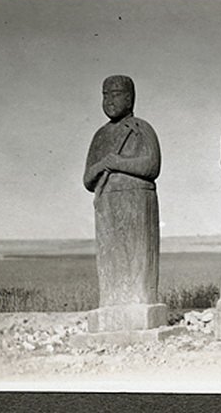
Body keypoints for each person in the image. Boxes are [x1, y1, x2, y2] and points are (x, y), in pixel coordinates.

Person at [83, 75, 161, 307]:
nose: (109, 100)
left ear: (129, 98)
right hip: (107, 205)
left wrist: (117, 163)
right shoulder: (101, 135)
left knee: (136, 263)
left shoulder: (141, 129)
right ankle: (112, 304)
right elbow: (88, 179)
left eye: (116, 94)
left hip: (137, 203)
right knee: (111, 261)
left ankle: (139, 305)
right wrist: (102, 165)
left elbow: (152, 166)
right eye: (105, 95)